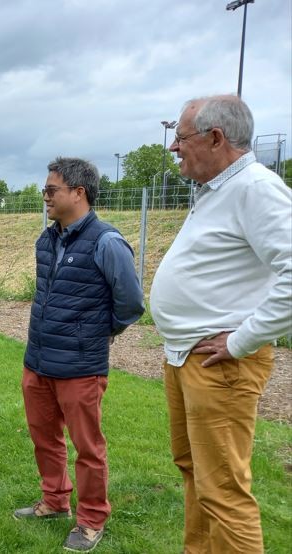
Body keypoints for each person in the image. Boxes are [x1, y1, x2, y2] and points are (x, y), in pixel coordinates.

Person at [150, 95, 292, 553]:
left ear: (215, 137)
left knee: (224, 491)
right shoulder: (217, 190)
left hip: (221, 364)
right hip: (189, 356)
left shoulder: (255, 187)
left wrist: (243, 339)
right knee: (195, 472)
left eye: (181, 137)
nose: (174, 147)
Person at [14, 158, 144, 552]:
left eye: (51, 190)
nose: (45, 197)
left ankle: (90, 519)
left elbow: (131, 304)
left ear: (78, 193)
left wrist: (96, 334)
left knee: (88, 448)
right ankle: (54, 501)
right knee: (44, 437)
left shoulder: (107, 242)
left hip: (80, 368)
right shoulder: (46, 239)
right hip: (38, 362)